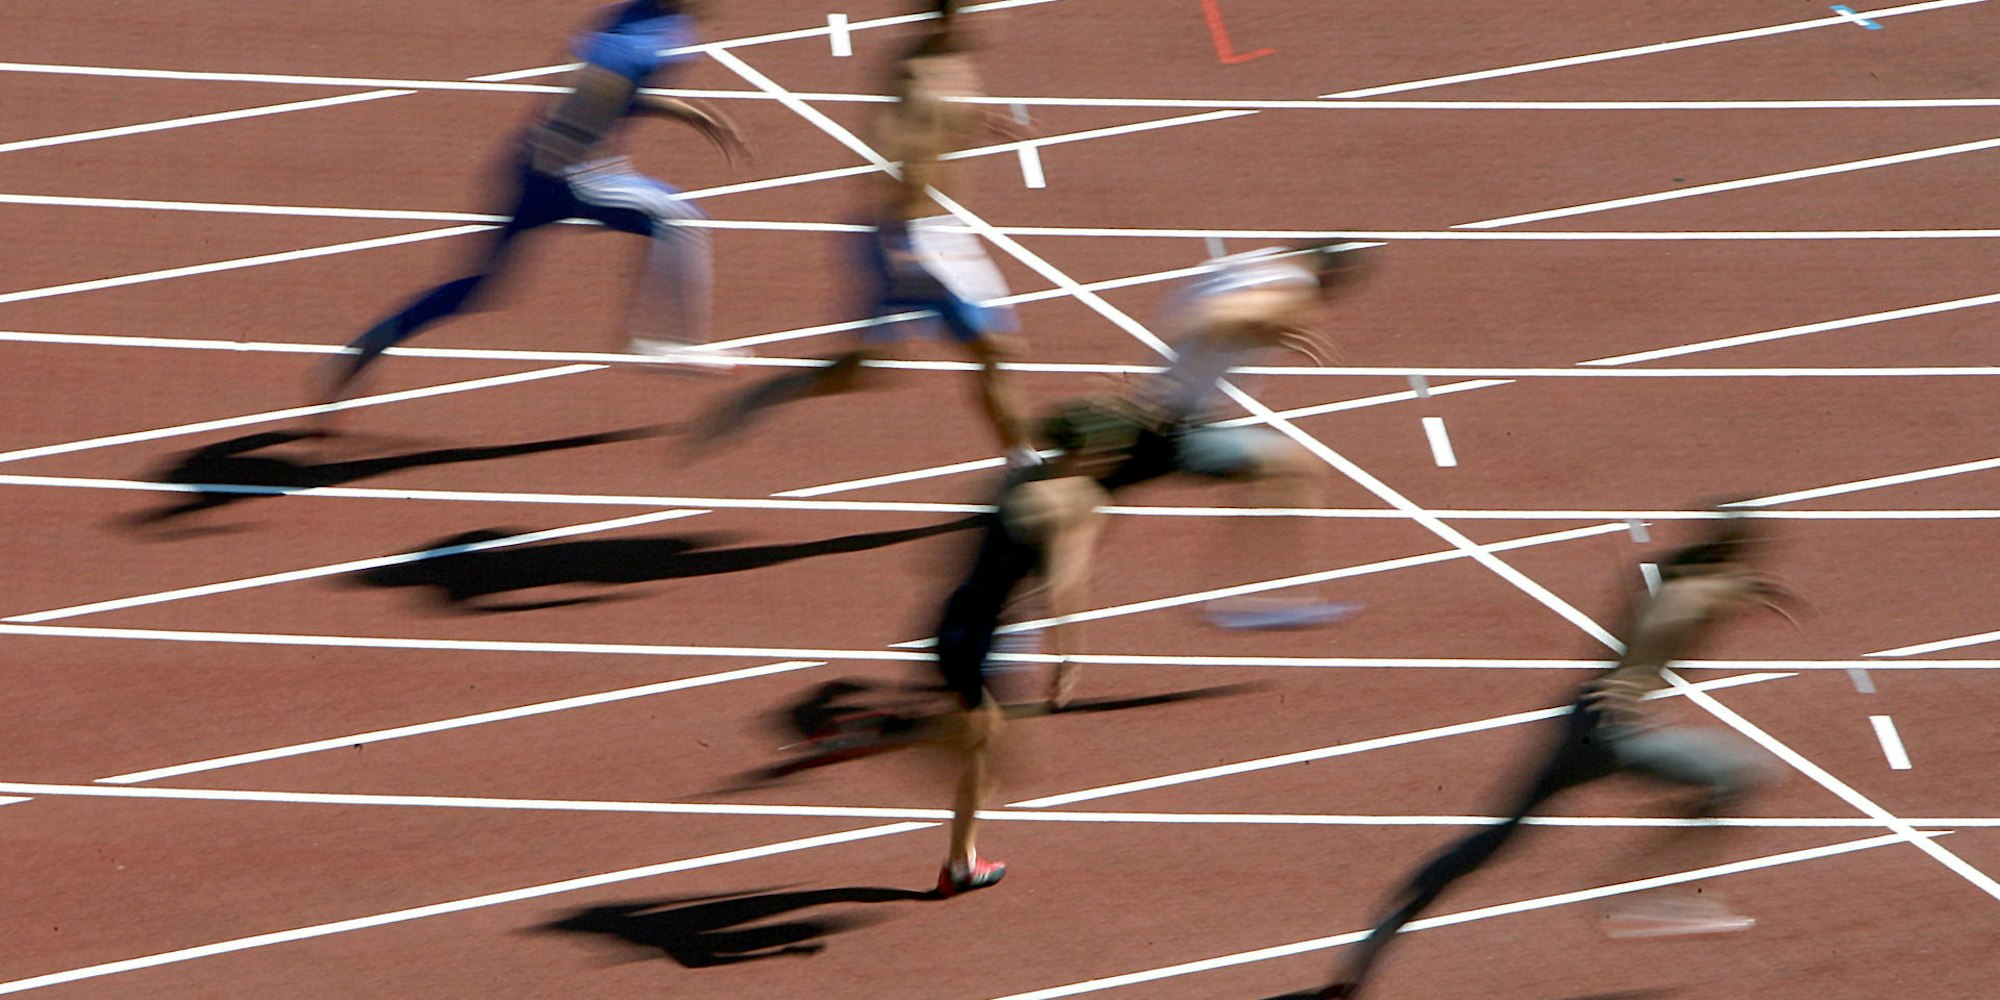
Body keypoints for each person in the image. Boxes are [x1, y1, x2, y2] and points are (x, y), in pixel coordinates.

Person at [1316, 513, 1795, 998]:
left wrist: (1762, 591)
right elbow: (1672, 618)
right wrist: (1631, 681)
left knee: (1489, 842)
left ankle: (1374, 944)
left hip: (1577, 722)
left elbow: (1710, 588)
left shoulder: (1675, 572)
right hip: (1617, 732)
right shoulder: (1696, 593)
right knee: (1743, 776)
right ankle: (1647, 892)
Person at [319, 0, 750, 410]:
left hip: (533, 166)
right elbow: (603, 81)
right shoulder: (638, 42)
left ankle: (368, 345)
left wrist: (687, 112)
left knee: (475, 289)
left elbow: (612, 89)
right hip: (570, 176)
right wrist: (578, 160)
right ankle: (663, 344)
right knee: (678, 218)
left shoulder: (645, 19)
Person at [688, 1, 1038, 466]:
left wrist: (978, 120)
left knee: (873, 368)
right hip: (911, 237)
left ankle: (767, 394)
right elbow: (889, 157)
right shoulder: (916, 77)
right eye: (982, 13)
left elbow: (941, 117)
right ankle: (1026, 466)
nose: (995, 21)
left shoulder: (953, 62)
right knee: (993, 348)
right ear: (948, 18)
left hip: (937, 232)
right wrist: (899, 248)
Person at [1097, 241, 1370, 628]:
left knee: (1079, 519)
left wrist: (1270, 334)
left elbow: (1220, 311)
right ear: (1331, 278)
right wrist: (1153, 378)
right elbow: (1214, 315)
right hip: (1167, 423)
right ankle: (1259, 598)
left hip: (1156, 415)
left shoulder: (1256, 264)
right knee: (1296, 467)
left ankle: (1014, 614)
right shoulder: (1293, 291)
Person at [927, 399, 1138, 895]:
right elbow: (1067, 584)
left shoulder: (1019, 476)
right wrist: (1069, 657)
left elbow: (962, 542)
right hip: (985, 634)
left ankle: (960, 859)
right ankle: (957, 858)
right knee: (991, 748)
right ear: (1089, 453)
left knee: (987, 740)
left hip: (955, 616)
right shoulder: (1077, 499)